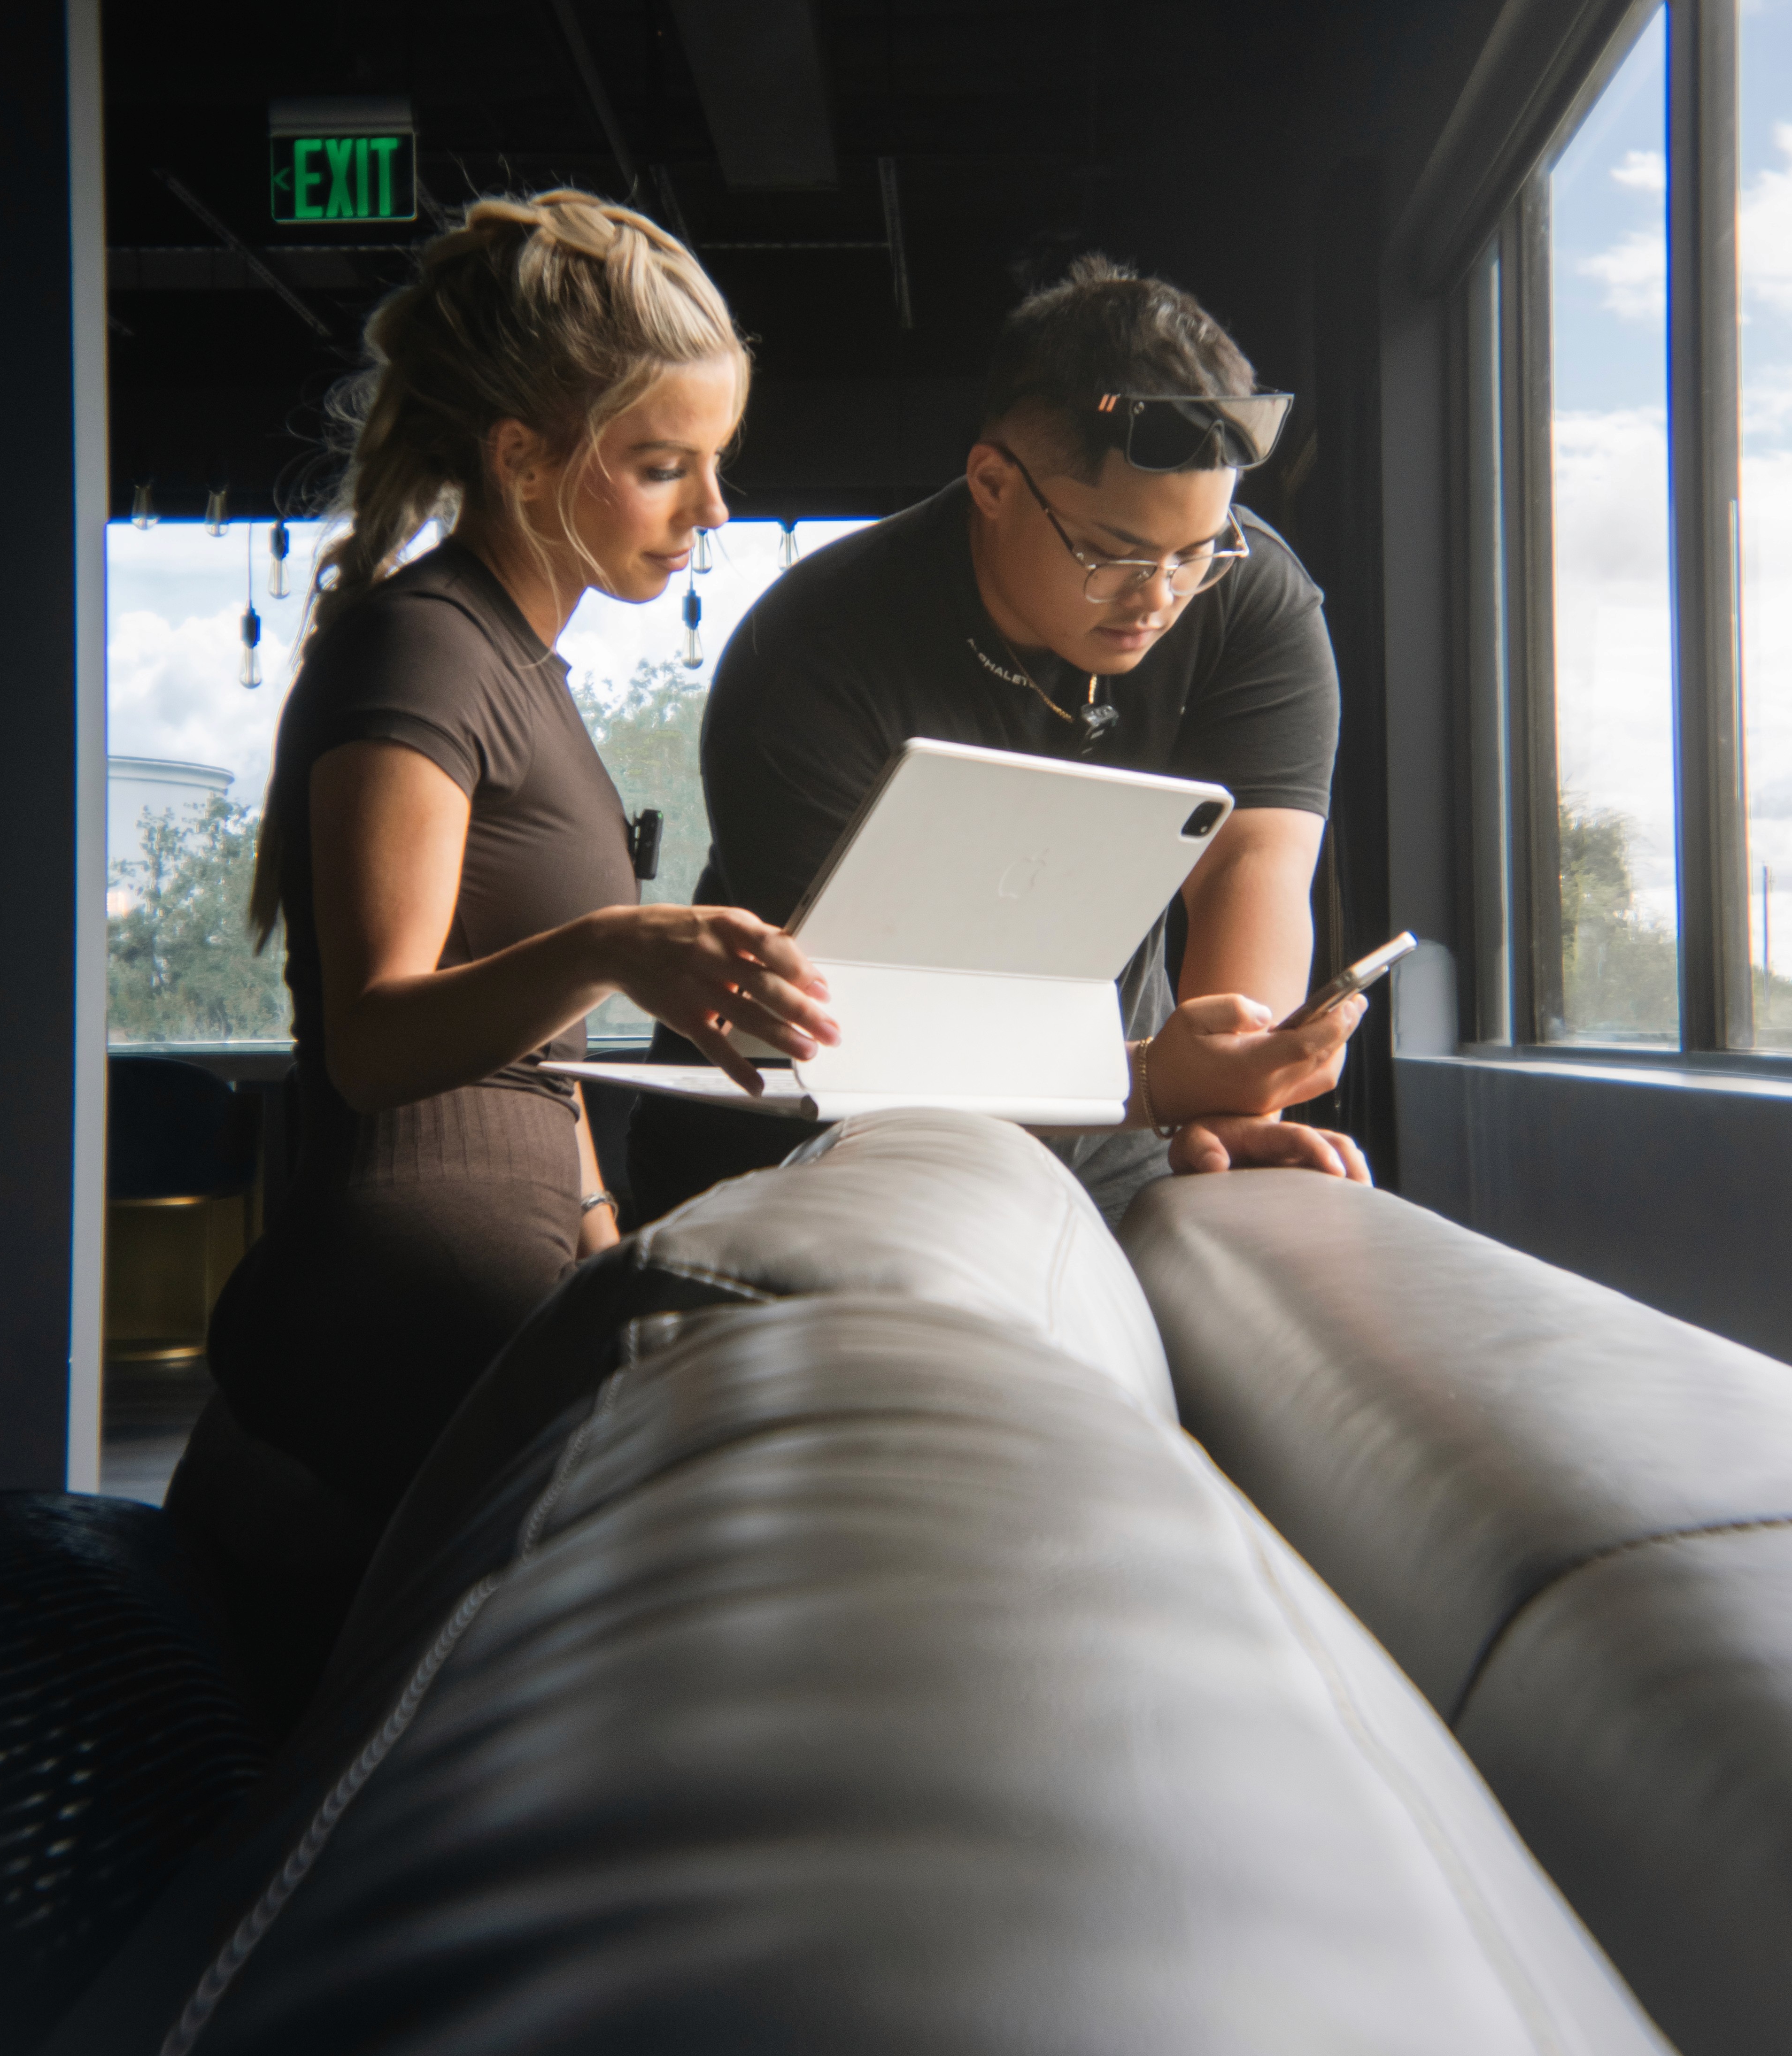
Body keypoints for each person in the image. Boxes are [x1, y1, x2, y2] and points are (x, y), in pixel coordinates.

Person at [205, 191, 837, 1527]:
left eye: (713, 462)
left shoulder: (515, 667)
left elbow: (533, 1078)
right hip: (392, 1317)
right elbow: (373, 1043)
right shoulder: (426, 646)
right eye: (666, 465)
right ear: (525, 459)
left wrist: (608, 1257)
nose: (712, 506)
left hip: (494, 1290)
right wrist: (613, 944)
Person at [626, 256, 1371, 1230]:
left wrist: (1233, 1093)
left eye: (1194, 550)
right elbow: (859, 1024)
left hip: (1107, 1121)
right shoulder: (809, 658)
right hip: (798, 1156)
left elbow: (1249, 865)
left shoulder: (1247, 598)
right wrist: (1156, 1083)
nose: (1159, 599)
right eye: (1110, 552)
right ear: (991, 483)